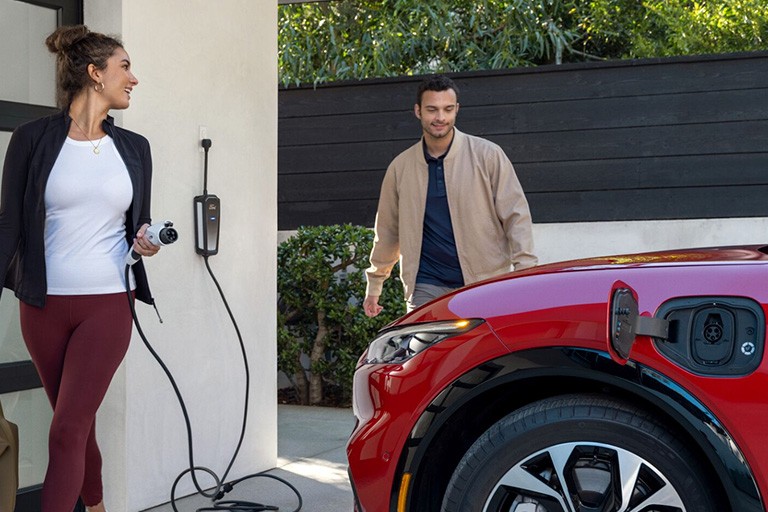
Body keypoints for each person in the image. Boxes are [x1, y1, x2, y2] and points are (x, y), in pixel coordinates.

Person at [0, 25, 161, 512]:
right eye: (124, 67)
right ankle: (96, 505)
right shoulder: (31, 140)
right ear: (95, 74)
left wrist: (145, 241)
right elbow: (8, 223)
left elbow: (139, 220)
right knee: (76, 423)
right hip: (43, 305)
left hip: (108, 304)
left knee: (66, 427)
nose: (134, 78)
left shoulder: (134, 148)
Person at [364, 75, 537, 316]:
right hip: (425, 284)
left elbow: (516, 216)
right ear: (418, 111)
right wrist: (375, 284)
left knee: (485, 353)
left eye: (447, 109)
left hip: (485, 281)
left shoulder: (487, 155)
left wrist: (525, 272)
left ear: (457, 110)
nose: (440, 118)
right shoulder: (400, 167)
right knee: (425, 352)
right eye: (432, 110)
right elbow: (387, 230)